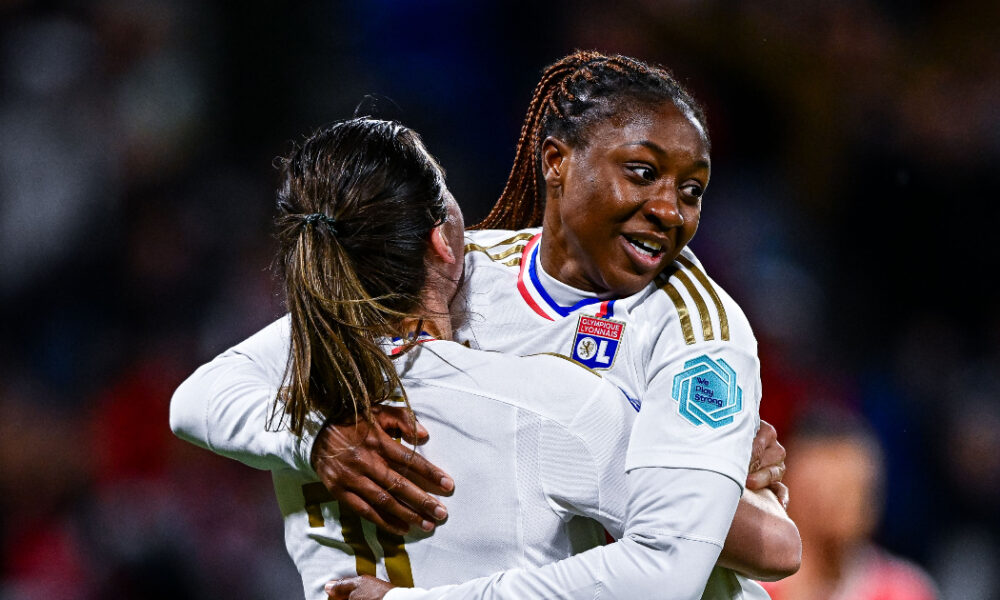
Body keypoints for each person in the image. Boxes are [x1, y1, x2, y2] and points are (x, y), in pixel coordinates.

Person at [173, 50, 800, 599]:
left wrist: (309, 434)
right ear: (556, 161)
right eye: (642, 172)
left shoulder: (696, 327)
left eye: (693, 189)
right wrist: (316, 436)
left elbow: (200, 399)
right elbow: (764, 545)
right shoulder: (528, 354)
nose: (669, 209)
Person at [760, 410, 937, 600]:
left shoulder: (905, 591)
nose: (835, 507)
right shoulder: (748, 588)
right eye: (822, 491)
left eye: (851, 491)